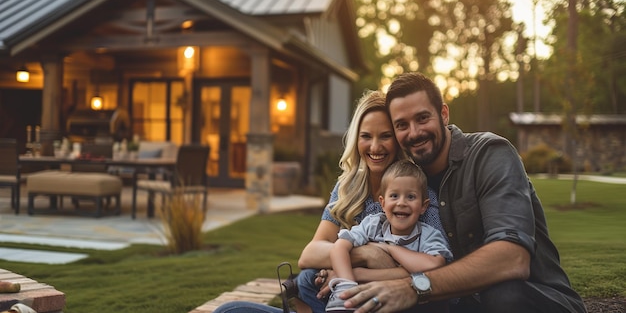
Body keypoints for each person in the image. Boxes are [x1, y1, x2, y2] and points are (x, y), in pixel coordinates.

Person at [337, 72, 587, 313]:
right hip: (462, 303)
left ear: (444, 114)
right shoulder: (409, 182)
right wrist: (353, 264)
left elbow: (512, 258)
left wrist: (414, 288)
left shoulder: (490, 155)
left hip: (533, 297)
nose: (414, 133)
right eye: (402, 125)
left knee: (502, 296)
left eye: (423, 118)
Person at [212, 89, 445, 313]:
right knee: (230, 310)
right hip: (341, 297)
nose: (375, 147)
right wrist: (366, 254)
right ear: (356, 139)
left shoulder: (417, 193)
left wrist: (351, 269)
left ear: (397, 140)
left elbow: (431, 271)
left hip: (388, 301)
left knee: (306, 279)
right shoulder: (348, 187)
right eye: (366, 136)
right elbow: (310, 254)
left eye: (385, 136)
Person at [326, 160, 452, 313]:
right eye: (394, 196)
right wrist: (346, 282)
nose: (401, 203)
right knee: (308, 280)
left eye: (411, 197)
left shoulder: (428, 235)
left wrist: (389, 249)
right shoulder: (374, 224)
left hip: (412, 305)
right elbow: (339, 246)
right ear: (383, 203)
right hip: (372, 298)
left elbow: (435, 266)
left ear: (423, 206)